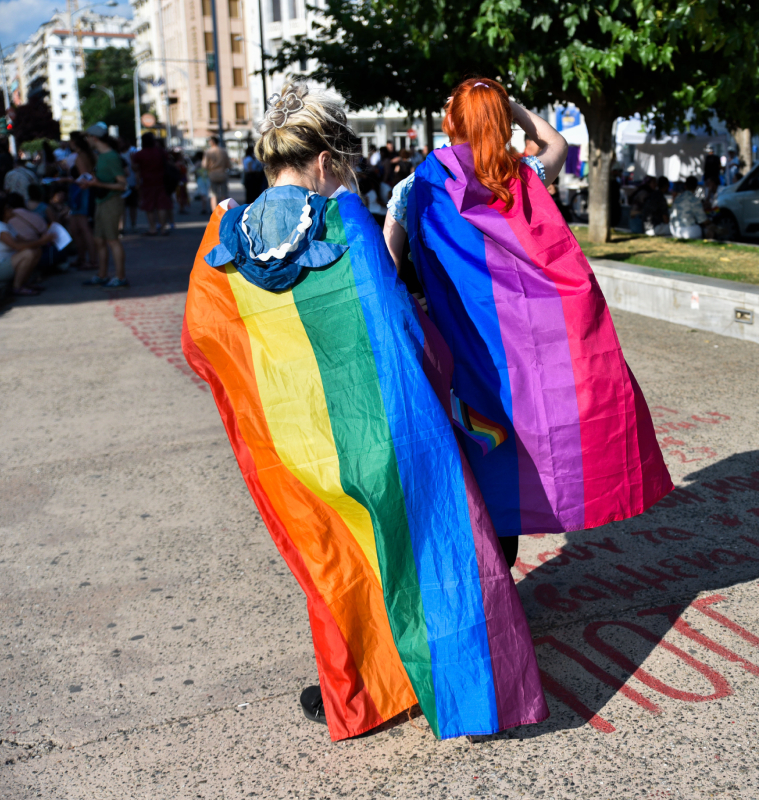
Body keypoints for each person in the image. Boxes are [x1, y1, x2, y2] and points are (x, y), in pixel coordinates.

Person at [184, 81, 549, 740]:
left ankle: (364, 691)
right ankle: (460, 688)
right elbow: (397, 326)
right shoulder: (345, 219)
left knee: (339, 563)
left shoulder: (225, 232)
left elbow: (201, 337)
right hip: (381, 422)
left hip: (297, 440)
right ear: (326, 161)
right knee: (429, 546)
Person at [383, 76, 673, 570]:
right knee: (510, 458)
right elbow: (556, 143)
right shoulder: (523, 176)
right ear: (501, 123)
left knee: (466, 461)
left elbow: (389, 269)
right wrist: (509, 105)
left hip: (457, 352)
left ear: (450, 121)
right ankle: (504, 572)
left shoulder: (415, 187)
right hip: (518, 352)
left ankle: (479, 588)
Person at [80, 123, 129, 288]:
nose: (87, 140)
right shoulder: (102, 156)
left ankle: (120, 277)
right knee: (99, 240)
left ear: (94, 138)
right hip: (101, 202)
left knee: (112, 240)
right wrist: (91, 182)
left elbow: (122, 184)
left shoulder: (110, 157)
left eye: (88, 137)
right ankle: (102, 275)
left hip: (111, 202)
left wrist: (98, 184)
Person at [1, 192, 55, 296]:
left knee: (36, 251)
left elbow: (23, 241)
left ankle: (24, 283)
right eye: (8, 208)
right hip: (2, 265)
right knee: (28, 253)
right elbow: (16, 246)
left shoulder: (8, 225)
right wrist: (41, 241)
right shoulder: (1, 228)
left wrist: (42, 240)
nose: (11, 210)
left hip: (10, 261)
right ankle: (17, 287)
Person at [66, 131, 98, 271]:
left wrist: (67, 180)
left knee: (83, 228)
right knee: (76, 228)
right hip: (83, 193)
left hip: (81, 193)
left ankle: (91, 260)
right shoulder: (90, 155)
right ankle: (83, 258)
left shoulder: (80, 157)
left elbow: (84, 178)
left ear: (74, 142)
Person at [132, 132, 173, 236]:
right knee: (161, 206)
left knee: (149, 206)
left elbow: (135, 169)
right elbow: (168, 163)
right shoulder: (161, 152)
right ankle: (163, 228)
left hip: (147, 182)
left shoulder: (140, 154)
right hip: (162, 181)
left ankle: (152, 228)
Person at [202, 135, 231, 211]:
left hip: (213, 174)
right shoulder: (223, 151)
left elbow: (204, 165)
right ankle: (224, 211)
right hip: (222, 173)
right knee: (224, 194)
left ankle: (214, 211)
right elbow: (229, 165)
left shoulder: (208, 152)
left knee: (213, 195)